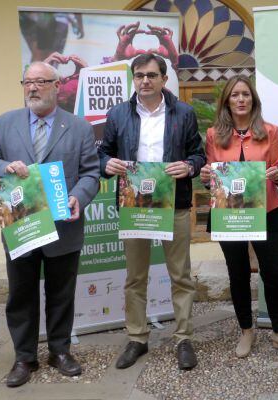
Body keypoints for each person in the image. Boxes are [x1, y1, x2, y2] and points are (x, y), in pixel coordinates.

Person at [0, 61, 100, 388]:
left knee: (61, 293)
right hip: (21, 226)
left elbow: (92, 172)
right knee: (21, 293)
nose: (32, 88)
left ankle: (60, 351)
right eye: (27, 82)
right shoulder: (5, 124)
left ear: (57, 86)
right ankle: (24, 357)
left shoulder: (79, 128)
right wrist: (4, 166)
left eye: (41, 82)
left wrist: (78, 196)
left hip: (64, 227)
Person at [98, 53, 206, 371]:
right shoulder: (118, 114)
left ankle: (183, 337)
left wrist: (189, 166)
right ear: (134, 79)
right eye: (139, 75)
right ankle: (137, 338)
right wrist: (107, 164)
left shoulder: (183, 113)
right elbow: (103, 152)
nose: (145, 80)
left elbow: (198, 154)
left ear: (164, 79)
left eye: (151, 75)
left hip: (174, 203)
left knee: (181, 276)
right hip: (135, 205)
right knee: (135, 277)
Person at [199, 76, 278, 358]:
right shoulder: (213, 135)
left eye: (245, 94)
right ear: (227, 101)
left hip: (266, 211)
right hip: (228, 213)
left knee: (274, 274)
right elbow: (210, 173)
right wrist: (206, 176)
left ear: (253, 100)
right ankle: (246, 330)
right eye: (235, 95)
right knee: (238, 274)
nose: (241, 99)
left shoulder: (270, 131)